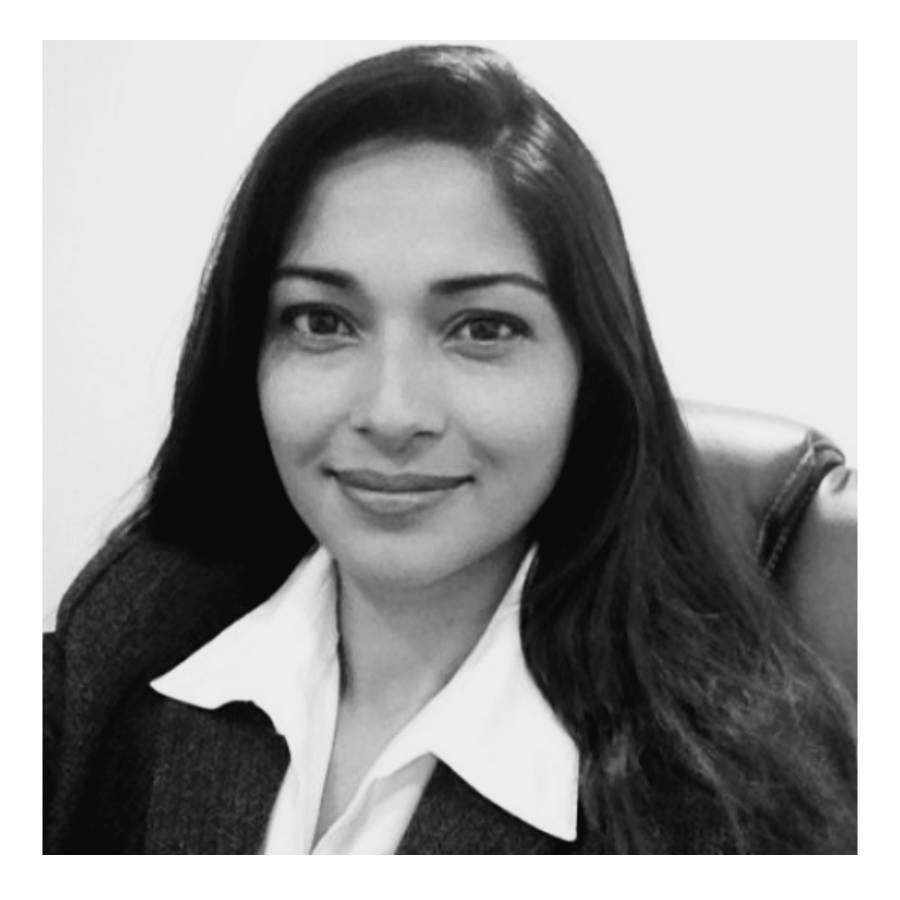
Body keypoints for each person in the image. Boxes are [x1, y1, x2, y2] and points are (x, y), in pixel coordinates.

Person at [42, 45, 858, 855]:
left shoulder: (729, 808)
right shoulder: (142, 626)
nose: (392, 413)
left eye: (483, 328)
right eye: (322, 321)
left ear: (592, 373)